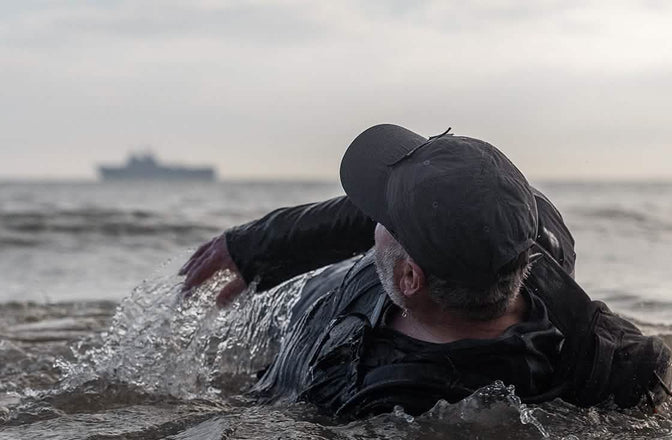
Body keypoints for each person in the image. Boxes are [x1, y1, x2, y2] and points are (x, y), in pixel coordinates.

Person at [179, 124, 671, 417]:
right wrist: (260, 245)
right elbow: (473, 202)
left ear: (410, 281)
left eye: (386, 221)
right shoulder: (533, 250)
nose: (374, 223)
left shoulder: (365, 397)